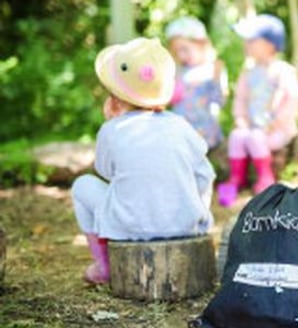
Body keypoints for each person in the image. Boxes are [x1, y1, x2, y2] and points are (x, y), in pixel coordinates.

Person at [71, 38, 215, 284]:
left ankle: (104, 264)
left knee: (81, 186)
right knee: (200, 172)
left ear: (114, 100)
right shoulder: (180, 125)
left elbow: (105, 172)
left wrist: (111, 123)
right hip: (184, 226)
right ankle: (187, 219)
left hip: (128, 228)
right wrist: (196, 210)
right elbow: (205, 174)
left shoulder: (112, 130)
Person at [217, 14, 298, 207]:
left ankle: (265, 175)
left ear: (270, 44)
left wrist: (276, 123)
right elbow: (241, 98)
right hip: (254, 127)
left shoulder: (283, 71)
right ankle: (237, 178)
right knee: (238, 136)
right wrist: (241, 118)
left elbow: (292, 99)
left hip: (277, 129)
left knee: (256, 138)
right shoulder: (248, 72)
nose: (246, 44)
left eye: (252, 40)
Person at [166, 16, 228, 149]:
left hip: (204, 131)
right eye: (177, 52)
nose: (181, 56)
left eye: (185, 49)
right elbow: (171, 99)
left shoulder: (212, 69)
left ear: (202, 44)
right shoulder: (179, 71)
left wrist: (217, 78)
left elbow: (220, 101)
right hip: (180, 131)